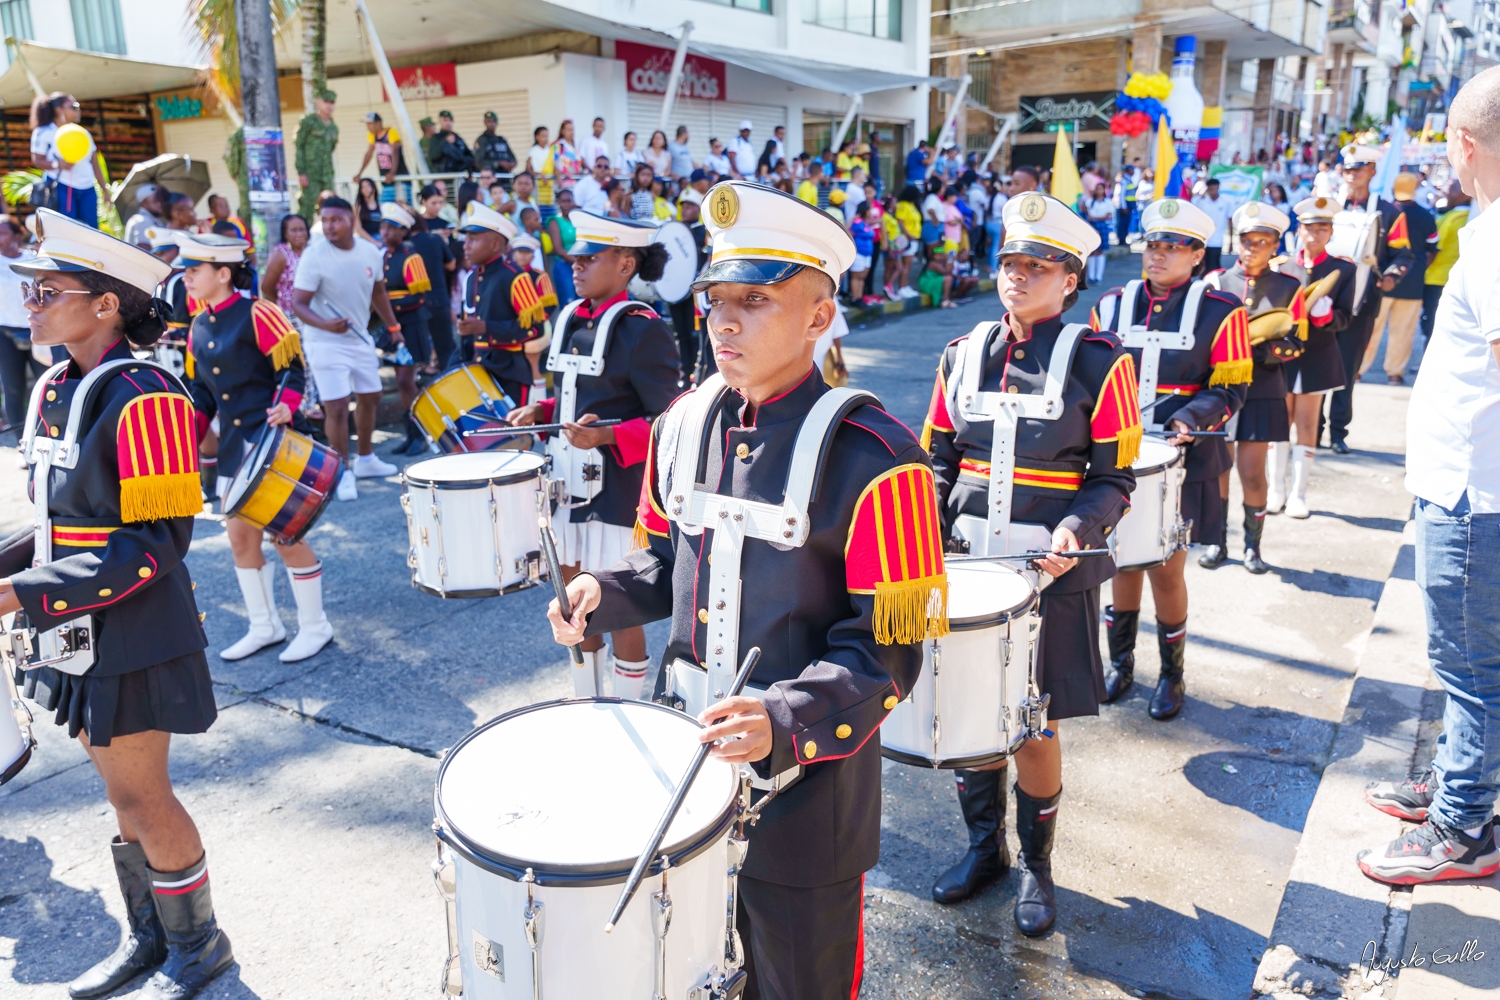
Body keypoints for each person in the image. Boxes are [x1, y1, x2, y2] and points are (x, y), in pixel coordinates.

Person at [546, 179, 946, 999]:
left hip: (809, 793)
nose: (724, 321)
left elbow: (892, 652)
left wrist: (783, 718)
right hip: (681, 763)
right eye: (716, 300)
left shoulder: (882, 457)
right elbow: (665, 564)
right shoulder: (679, 427)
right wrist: (601, 593)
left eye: (755, 300)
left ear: (818, 313)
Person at [6, 210, 230, 999]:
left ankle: (200, 953)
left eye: (47, 288)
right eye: (30, 287)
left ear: (107, 304)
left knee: (143, 792)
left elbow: (154, 547)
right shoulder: (57, 385)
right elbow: (52, 525)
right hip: (76, 628)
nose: (28, 300)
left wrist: (18, 594)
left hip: (134, 629)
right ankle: (154, 938)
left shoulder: (147, 394)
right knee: (119, 791)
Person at [921, 190, 1141, 936]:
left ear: (1070, 280)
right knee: (970, 715)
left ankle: (1037, 869)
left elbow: (1115, 478)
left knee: (1032, 723)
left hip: (1049, 576)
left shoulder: (1100, 361)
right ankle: (985, 850)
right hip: (968, 571)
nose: (1020, 275)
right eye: (1012, 262)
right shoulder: (960, 354)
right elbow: (937, 460)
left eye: (1040, 266)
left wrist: (1077, 529)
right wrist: (927, 530)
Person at [1359, 67, 1500, 885]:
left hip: (1477, 498)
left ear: (1464, 144)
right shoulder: (1483, 228)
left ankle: (1462, 827)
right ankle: (1460, 780)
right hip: (1466, 488)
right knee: (1471, 664)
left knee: (1473, 669)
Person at [1089, 198, 1252, 720]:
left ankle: (1172, 675)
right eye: (1152, 246)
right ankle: (1121, 665)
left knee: (1165, 570)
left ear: (1197, 254)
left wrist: (1190, 419)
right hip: (1117, 460)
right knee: (1119, 566)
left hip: (1182, 462)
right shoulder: (1111, 304)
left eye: (1171, 248)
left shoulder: (1222, 311)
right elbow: (1088, 377)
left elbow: (1231, 387)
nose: (1157, 256)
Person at [508, 212, 678, 697]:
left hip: (617, 492)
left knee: (619, 607)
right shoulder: (568, 317)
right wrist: (540, 408)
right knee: (570, 599)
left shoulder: (645, 329)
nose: (577, 265)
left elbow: (668, 423)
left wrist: (606, 438)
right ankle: (586, 698)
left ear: (626, 264)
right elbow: (574, 395)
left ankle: (630, 705)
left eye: (590, 257)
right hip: (565, 484)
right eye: (576, 257)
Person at [175, 231, 334, 666]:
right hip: (234, 447)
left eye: (194, 271)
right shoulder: (198, 324)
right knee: (240, 538)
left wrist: (286, 406)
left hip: (274, 444)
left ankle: (315, 625)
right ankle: (265, 626)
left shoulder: (260, 313)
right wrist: (182, 440)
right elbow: (202, 394)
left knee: (286, 536)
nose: (185, 278)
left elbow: (293, 370)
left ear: (223, 273)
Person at [1199, 202, 1307, 573]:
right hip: (1221, 389)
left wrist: (1262, 348)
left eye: (1263, 241)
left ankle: (1252, 546)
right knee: (1218, 470)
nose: (1253, 247)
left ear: (1275, 245)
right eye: (1247, 239)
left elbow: (1297, 342)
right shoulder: (1214, 282)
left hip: (1263, 388)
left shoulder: (1290, 287)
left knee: (1252, 472)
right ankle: (1217, 541)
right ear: (1238, 240)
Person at [289, 197, 403, 500]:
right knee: (337, 407)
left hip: (359, 337)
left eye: (336, 220)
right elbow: (298, 303)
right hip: (324, 341)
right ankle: (343, 471)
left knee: (371, 397)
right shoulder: (314, 256)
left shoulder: (370, 252)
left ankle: (365, 460)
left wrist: (394, 329)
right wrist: (325, 325)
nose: (329, 226)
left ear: (352, 219)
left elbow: (378, 292)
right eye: (324, 220)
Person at [1326, 142, 1416, 454]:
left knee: (1346, 371)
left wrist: (1391, 276)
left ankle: (1337, 432)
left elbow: (1403, 254)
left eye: (1359, 168)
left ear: (1372, 171)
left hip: (1360, 304)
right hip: (1320, 302)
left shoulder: (1389, 212)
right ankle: (1311, 432)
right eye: (1347, 168)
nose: (1352, 174)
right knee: (1315, 367)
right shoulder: (1325, 205)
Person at [1273, 197, 1356, 520]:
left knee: (1307, 423)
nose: (1315, 234)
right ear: (1299, 230)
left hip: (1318, 354)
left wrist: (1326, 316)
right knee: (1279, 422)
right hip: (1282, 356)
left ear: (1331, 232)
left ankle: (1298, 493)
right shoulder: (1282, 267)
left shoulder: (1343, 269)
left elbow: (1347, 317)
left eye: (1323, 228)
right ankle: (1275, 489)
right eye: (1309, 227)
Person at [457, 201, 548, 407]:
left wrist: (487, 328)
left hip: (509, 371)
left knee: (513, 435)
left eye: (473, 240)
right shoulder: (471, 278)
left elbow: (536, 329)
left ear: (496, 245)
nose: (466, 246)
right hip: (478, 369)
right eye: (466, 240)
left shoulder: (515, 277)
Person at [1359, 171, 1438, 384]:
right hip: (1412, 282)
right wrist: (1418, 269)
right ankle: (1395, 373)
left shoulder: (1386, 211)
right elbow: (1432, 249)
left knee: (1371, 327)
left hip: (1382, 279)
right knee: (1403, 331)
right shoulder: (1427, 215)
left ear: (1394, 189)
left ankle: (1358, 369)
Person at [376, 204, 433, 455]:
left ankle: (420, 433)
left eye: (391, 228)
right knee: (402, 382)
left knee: (406, 380)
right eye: (383, 226)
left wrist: (388, 306)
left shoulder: (412, 257)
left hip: (410, 327)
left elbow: (420, 298)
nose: (385, 232)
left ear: (403, 231)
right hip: (392, 328)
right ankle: (410, 435)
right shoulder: (382, 256)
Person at [29, 91, 111, 227]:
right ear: (59, 110)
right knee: (67, 229)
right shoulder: (43, 132)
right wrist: (59, 164)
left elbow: (95, 164)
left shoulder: (82, 133)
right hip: (62, 186)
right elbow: (38, 160)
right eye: (74, 106)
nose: (78, 110)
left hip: (87, 188)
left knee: (91, 230)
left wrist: (105, 191)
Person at [411, 185, 459, 370]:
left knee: (442, 339)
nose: (438, 206)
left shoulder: (444, 223)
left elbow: (452, 259)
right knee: (440, 340)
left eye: (440, 202)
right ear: (423, 202)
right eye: (434, 202)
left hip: (440, 285)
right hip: (432, 290)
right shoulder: (427, 236)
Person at [0, 216, 38, 432]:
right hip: (4, 332)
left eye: (3, 233)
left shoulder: (33, 260)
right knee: (13, 389)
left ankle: (42, 435)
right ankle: (19, 442)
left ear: (17, 236)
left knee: (45, 382)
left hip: (36, 330)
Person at [1423, 180, 1470, 343]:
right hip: (1460, 280)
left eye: (1450, 189)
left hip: (1436, 279)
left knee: (1432, 324)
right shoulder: (1474, 217)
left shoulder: (1450, 218)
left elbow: (1433, 250)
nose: (1445, 193)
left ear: (1464, 193)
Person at [294, 88, 338, 220]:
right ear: (318, 102)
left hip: (326, 175)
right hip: (310, 174)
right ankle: (303, 236)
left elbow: (331, 148)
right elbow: (299, 146)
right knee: (306, 208)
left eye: (332, 102)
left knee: (330, 206)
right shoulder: (308, 122)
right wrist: (301, 172)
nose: (329, 105)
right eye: (326, 101)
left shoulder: (333, 127)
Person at [259, 213, 308, 317]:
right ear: (285, 234)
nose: (299, 234)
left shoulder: (311, 251)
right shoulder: (281, 254)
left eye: (302, 229)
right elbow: (266, 287)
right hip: (290, 314)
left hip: (312, 312)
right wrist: (283, 301)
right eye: (294, 230)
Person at [356, 112, 408, 204]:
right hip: (386, 180)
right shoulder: (372, 136)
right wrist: (359, 173)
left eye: (370, 124)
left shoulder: (391, 132)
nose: (367, 127)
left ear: (378, 123)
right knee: (386, 207)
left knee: (405, 207)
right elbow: (368, 154)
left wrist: (392, 173)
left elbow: (395, 153)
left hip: (400, 178)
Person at [1191, 178, 1231, 272]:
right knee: (1203, 265)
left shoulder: (1225, 202)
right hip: (1204, 239)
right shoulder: (1202, 202)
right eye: (1210, 189)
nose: (1212, 191)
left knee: (1215, 265)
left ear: (1218, 187)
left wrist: (1231, 242)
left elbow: (1230, 220)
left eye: (1214, 189)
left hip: (1217, 240)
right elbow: (1192, 204)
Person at [1080, 181, 1114, 284]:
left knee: (1100, 251)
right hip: (1093, 227)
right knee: (1092, 251)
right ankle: (1091, 276)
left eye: (1101, 189)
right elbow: (1084, 210)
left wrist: (1094, 217)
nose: (1099, 191)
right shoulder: (1090, 201)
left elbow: (1108, 215)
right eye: (1098, 189)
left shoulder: (1107, 202)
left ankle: (1098, 277)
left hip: (1102, 226)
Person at [848, 200, 877, 305]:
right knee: (856, 277)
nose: (871, 212)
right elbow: (848, 231)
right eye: (869, 210)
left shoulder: (866, 223)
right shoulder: (857, 222)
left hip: (867, 255)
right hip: (859, 253)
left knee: (862, 277)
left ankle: (859, 297)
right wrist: (851, 219)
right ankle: (855, 298)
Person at [123, 183, 169, 249]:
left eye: (160, 200)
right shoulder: (142, 221)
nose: (160, 204)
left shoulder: (152, 218)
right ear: (143, 203)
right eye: (155, 201)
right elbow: (144, 252)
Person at [528, 125, 556, 220]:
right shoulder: (533, 151)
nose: (546, 138)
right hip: (539, 186)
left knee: (551, 212)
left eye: (547, 136)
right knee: (540, 211)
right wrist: (539, 174)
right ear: (537, 137)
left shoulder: (550, 151)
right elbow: (528, 169)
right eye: (543, 136)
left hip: (550, 185)